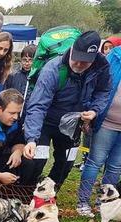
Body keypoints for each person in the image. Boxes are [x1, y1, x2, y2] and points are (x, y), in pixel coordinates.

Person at [23, 31, 112, 186]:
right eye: (77, 59)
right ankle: (27, 195)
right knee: (38, 160)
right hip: (46, 120)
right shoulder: (53, 69)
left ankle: (51, 194)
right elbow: (38, 105)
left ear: (94, 58)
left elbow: (104, 91)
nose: (79, 64)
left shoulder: (101, 67)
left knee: (66, 163)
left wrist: (94, 111)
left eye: (85, 62)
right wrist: (32, 139)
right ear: (72, 50)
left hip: (73, 122)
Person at [76, 45, 121, 217]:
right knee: (95, 161)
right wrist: (91, 113)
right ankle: (83, 202)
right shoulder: (114, 57)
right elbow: (97, 87)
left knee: (116, 166)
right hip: (106, 121)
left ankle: (104, 202)